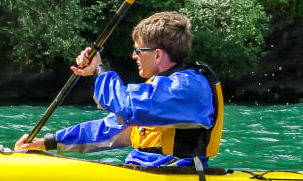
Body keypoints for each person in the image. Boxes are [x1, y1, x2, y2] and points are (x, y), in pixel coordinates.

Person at [14, 11, 224, 171]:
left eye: (138, 50)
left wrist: (99, 69)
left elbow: (126, 108)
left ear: (158, 55)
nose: (134, 56)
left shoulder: (187, 87)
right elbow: (110, 129)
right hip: (145, 170)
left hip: (176, 173)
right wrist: (47, 142)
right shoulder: (159, 88)